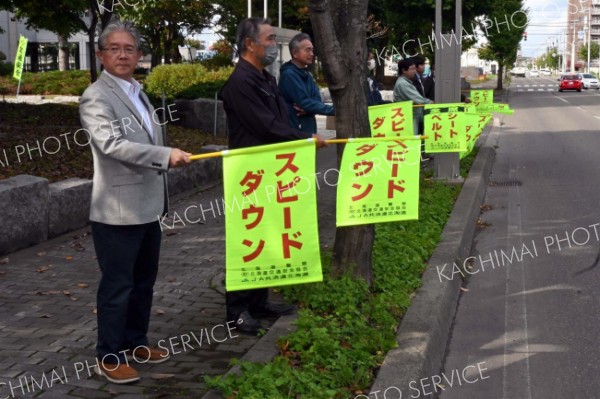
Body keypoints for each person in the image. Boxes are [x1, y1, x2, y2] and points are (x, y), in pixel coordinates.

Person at [79, 20, 191, 384]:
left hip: (148, 206)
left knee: (143, 282)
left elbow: (144, 137)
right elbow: (111, 145)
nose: (123, 54)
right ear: (100, 54)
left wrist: (163, 155)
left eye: (129, 49)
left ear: (139, 55)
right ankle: (109, 355)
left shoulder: (136, 91)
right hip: (117, 211)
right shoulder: (96, 96)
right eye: (114, 48)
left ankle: (135, 342)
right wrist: (164, 154)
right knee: (117, 287)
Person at [220, 17, 326, 335]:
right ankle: (237, 310)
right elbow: (265, 126)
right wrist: (304, 140)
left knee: (267, 235)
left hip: (270, 169)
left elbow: (283, 116)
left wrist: (298, 135)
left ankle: (259, 302)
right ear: (250, 44)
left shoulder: (265, 78)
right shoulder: (240, 83)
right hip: (249, 173)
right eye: (268, 39)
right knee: (247, 239)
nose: (272, 45)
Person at [278, 33, 334, 133]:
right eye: (308, 50)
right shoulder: (289, 75)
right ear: (295, 53)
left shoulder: (307, 75)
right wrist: (334, 110)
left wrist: (309, 108)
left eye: (312, 50)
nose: (312, 54)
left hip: (309, 129)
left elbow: (317, 99)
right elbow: (305, 102)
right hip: (296, 131)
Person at [393, 58, 433, 135]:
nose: (415, 71)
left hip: (411, 116)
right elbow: (418, 99)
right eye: (412, 69)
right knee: (412, 140)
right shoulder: (403, 84)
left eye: (415, 69)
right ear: (404, 70)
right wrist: (430, 102)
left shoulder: (406, 82)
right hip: (408, 117)